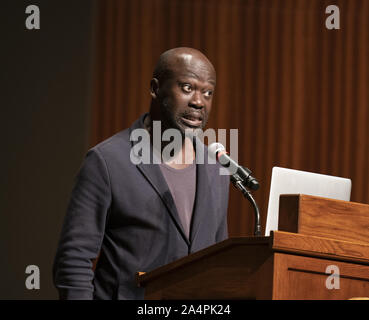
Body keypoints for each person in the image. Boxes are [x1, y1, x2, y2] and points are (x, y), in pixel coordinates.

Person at [53, 47, 230, 300]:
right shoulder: (107, 161)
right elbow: (73, 262)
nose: (198, 102)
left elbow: (219, 263)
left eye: (208, 92)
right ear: (155, 88)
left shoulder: (215, 169)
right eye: (187, 88)